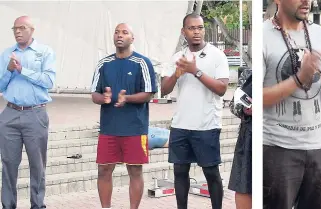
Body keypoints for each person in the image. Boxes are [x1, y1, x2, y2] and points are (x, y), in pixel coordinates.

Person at [161, 13, 229, 209]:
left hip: (207, 125)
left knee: (211, 173)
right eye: (192, 28)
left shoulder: (217, 55)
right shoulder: (177, 57)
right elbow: (164, 90)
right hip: (181, 125)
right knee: (180, 172)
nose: (197, 32)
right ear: (184, 32)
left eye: (200, 27)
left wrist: (195, 71)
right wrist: (177, 73)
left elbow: (222, 89)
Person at [263, 0, 321, 208]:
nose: (307, 0)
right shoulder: (263, 36)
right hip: (279, 148)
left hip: (320, 146)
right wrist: (300, 78)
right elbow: (258, 98)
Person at [91, 23, 157, 209]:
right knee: (104, 169)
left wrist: (126, 98)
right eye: (117, 32)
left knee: (135, 170)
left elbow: (149, 93)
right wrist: (102, 98)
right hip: (109, 127)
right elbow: (94, 93)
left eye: (124, 32)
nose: (120, 35)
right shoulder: (104, 64)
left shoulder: (142, 63)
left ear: (132, 38)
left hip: (134, 127)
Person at [0, 16, 56, 209]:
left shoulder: (45, 52)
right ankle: (8, 206)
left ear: (32, 30)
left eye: (22, 28)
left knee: (37, 165)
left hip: (35, 114)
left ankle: (37, 205)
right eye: (14, 28)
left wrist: (22, 70)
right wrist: (8, 70)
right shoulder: (7, 53)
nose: (17, 31)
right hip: (10, 114)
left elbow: (49, 81)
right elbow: (0, 85)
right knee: (8, 164)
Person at [228, 68, 252, 209]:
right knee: (244, 185)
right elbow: (234, 105)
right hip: (249, 137)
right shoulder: (249, 73)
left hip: (278, 137)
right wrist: (245, 109)